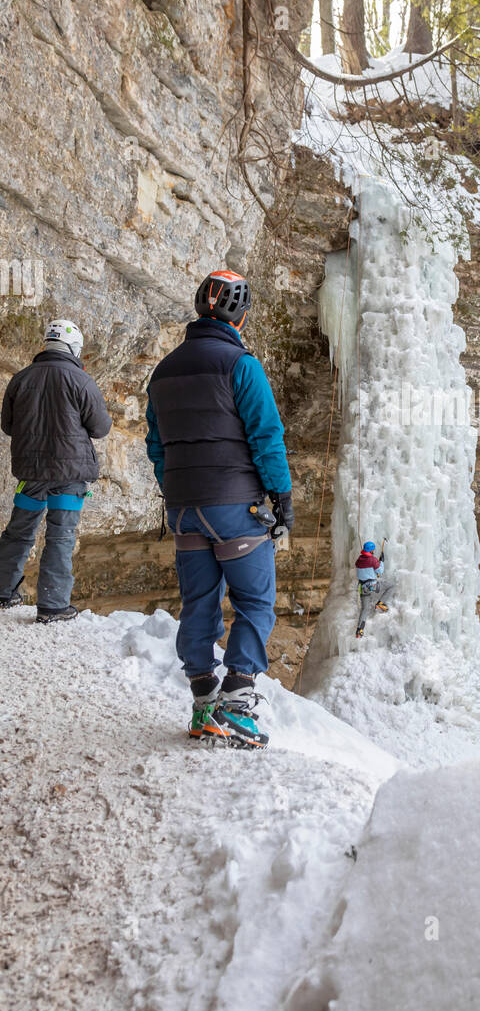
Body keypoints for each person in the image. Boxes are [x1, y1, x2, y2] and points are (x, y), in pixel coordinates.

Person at [145, 270, 293, 749]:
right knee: (254, 602)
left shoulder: (163, 371)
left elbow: (156, 444)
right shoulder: (241, 364)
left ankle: (203, 703)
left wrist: (177, 489)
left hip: (185, 510)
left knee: (199, 604)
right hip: (235, 507)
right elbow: (266, 437)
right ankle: (236, 704)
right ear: (241, 316)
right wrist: (282, 497)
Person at [0, 319, 111, 621]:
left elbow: (8, 426)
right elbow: (100, 428)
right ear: (74, 348)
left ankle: (3, 591)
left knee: (19, 531)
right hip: (69, 475)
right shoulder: (81, 381)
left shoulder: (21, 378)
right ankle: (53, 605)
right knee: (60, 535)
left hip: (31, 472)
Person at [355, 539, 394, 639]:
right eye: (373, 550)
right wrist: (381, 561)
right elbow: (380, 572)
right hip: (372, 586)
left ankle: (359, 630)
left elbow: (366, 567)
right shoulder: (372, 560)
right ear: (371, 550)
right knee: (391, 585)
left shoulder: (359, 560)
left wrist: (377, 561)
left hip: (362, 588)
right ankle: (380, 603)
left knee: (365, 609)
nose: (374, 551)